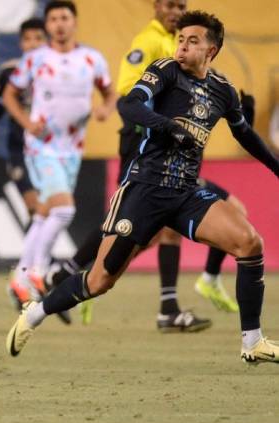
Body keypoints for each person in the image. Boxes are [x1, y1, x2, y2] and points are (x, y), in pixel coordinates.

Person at [7, 11, 279, 365]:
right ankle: (34, 314)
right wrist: (168, 126)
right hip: (144, 189)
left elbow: (244, 134)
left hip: (185, 193)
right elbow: (129, 104)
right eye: (180, 40)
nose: (182, 47)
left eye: (191, 41)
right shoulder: (165, 71)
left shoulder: (222, 90)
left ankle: (252, 341)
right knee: (100, 281)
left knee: (249, 242)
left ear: (212, 50)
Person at [45, 0, 248, 330]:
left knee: (158, 226)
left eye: (181, 5)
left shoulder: (181, 41)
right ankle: (73, 277)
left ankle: (158, 301)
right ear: (155, 7)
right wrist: (165, 119)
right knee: (132, 223)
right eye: (169, 5)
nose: (176, 11)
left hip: (176, 148)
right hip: (147, 141)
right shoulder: (149, 42)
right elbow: (129, 90)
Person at [1, 1, 117, 309]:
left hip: (72, 149)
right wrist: (27, 122)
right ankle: (38, 272)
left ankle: (21, 275)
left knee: (43, 213)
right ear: (47, 25)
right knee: (64, 210)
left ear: (74, 22)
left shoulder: (91, 59)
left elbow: (109, 91)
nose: (59, 24)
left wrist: (105, 109)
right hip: (41, 146)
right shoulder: (36, 59)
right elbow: (9, 94)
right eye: (53, 19)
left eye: (64, 17)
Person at [0, 18, 46, 218]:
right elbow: (1, 99)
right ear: (21, 43)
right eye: (28, 39)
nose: (33, 43)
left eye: (39, 38)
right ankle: (35, 227)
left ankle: (38, 236)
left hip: (46, 141)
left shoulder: (56, 71)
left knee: (46, 199)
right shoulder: (10, 70)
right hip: (18, 138)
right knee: (23, 183)